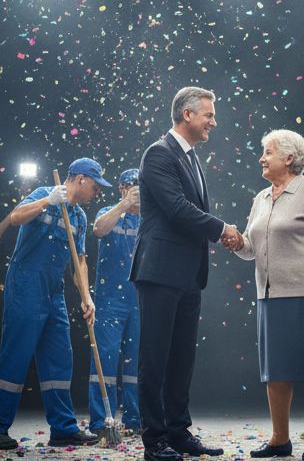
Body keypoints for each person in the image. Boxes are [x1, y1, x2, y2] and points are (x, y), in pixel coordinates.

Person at [131, 86, 243, 461]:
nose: (214, 121)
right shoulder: (158, 154)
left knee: (181, 359)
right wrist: (222, 228)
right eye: (209, 114)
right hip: (160, 271)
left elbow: (187, 211)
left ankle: (178, 433)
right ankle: (155, 440)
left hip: (188, 274)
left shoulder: (193, 158)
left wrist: (216, 229)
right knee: (155, 357)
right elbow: (177, 209)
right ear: (187, 115)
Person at [232, 129, 304, 461]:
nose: (262, 158)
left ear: (289, 158)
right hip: (269, 296)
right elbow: (252, 248)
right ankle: (280, 439)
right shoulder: (262, 198)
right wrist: (238, 244)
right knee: (275, 371)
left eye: (268, 152)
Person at [0, 158, 110, 450]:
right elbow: (16, 217)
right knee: (16, 354)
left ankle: (62, 428)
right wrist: (47, 201)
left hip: (54, 291)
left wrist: (87, 298)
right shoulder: (43, 194)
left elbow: (80, 263)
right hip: (25, 285)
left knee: (60, 358)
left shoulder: (79, 218)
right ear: (81, 179)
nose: (97, 193)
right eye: (96, 186)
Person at [89, 168, 143, 436]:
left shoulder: (148, 219)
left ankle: (135, 420)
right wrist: (124, 204)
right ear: (122, 188)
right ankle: (101, 422)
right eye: (133, 187)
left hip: (139, 301)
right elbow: (98, 230)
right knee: (105, 361)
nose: (138, 193)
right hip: (110, 299)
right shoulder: (108, 212)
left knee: (136, 364)